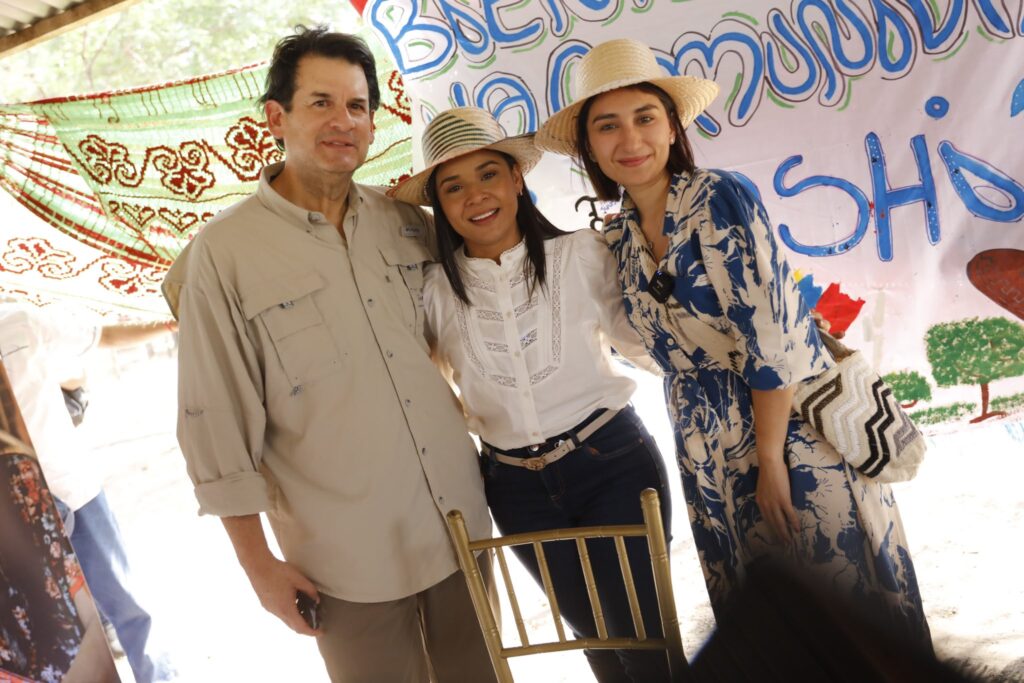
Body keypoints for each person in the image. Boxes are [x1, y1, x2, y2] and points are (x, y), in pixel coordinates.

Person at [535, 38, 931, 646]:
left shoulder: (717, 197)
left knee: (837, 605)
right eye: (607, 126)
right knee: (765, 624)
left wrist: (770, 462)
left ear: (672, 127)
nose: (630, 139)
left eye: (645, 118)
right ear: (589, 146)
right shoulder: (620, 236)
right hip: (705, 447)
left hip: (787, 432)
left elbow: (772, 337)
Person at [161, 27, 495, 682]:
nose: (343, 121)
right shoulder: (221, 256)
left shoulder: (408, 224)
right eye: (321, 102)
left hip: (460, 531)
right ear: (276, 117)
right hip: (346, 566)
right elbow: (212, 419)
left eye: (357, 105)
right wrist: (258, 564)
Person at [389, 107, 673, 682]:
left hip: (611, 463)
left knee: (644, 646)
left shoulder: (581, 254)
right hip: (515, 489)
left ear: (517, 179)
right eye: (453, 186)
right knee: (598, 645)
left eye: (488, 174)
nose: (475, 195)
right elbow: (423, 391)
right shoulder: (434, 292)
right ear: (439, 204)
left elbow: (645, 345)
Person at [0, 303, 178, 682]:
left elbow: (101, 336)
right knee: (61, 636)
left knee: (129, 607)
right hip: (17, 522)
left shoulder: (19, 321)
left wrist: (166, 325)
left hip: (76, 493)